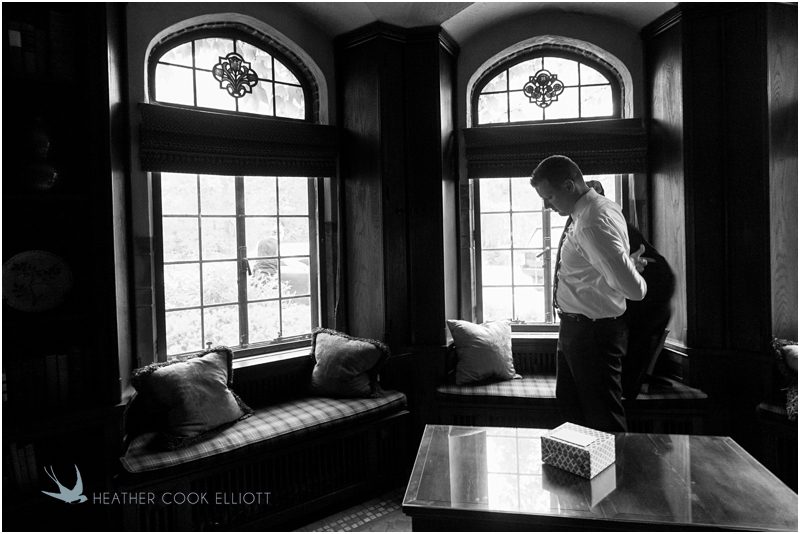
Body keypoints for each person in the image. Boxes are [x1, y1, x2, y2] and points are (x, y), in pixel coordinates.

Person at [530, 156, 647, 432]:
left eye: (549, 197)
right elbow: (601, 264)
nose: (547, 205)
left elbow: (635, 291)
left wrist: (628, 270)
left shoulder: (591, 223)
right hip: (578, 330)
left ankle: (619, 464)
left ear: (569, 186)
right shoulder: (596, 209)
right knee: (574, 419)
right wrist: (624, 264)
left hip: (592, 335)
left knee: (602, 421)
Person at [586, 180, 676, 400]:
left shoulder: (604, 220)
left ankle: (627, 392)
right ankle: (628, 390)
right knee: (634, 347)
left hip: (653, 287)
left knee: (633, 345)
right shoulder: (597, 219)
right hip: (651, 287)